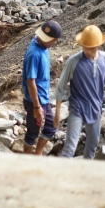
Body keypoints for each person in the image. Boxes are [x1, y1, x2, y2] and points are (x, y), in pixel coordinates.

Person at [55, 25, 105, 159]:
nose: (88, 51)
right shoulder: (74, 61)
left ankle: (85, 176)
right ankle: (59, 177)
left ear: (99, 46)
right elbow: (61, 86)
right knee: (70, 145)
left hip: (96, 108)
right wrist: (57, 112)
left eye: (92, 48)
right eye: (85, 47)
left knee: (92, 146)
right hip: (77, 108)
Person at [22, 20, 62, 155]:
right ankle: (26, 161)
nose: (54, 43)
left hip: (43, 98)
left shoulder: (42, 46)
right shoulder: (34, 53)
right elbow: (30, 81)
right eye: (53, 40)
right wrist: (36, 107)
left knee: (51, 126)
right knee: (33, 132)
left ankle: (37, 154)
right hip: (35, 101)